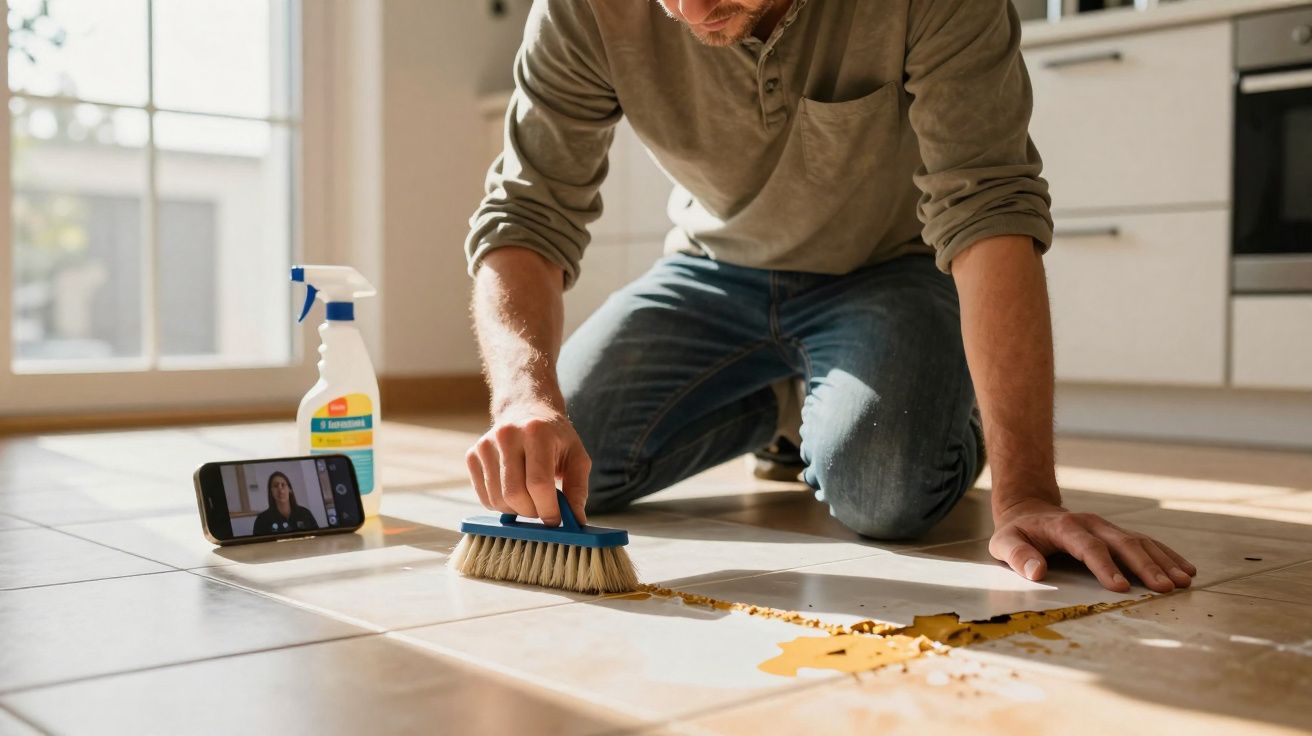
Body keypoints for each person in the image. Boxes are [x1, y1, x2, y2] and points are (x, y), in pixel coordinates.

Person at [462, 0, 1197, 594]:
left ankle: (923, 404)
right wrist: (525, 398)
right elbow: (526, 214)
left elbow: (987, 211)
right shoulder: (581, 8)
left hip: (892, 270)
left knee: (886, 490)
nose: (689, 11)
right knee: (563, 458)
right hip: (712, 272)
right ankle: (786, 406)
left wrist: (1026, 492)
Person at [252, 471, 319, 535]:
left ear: (290, 489)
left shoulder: (305, 514)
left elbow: (318, 538)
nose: (280, 489)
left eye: (283, 485)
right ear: (271, 492)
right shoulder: (262, 520)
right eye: (275, 486)